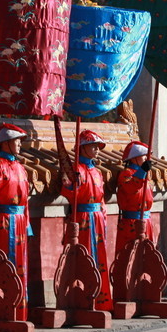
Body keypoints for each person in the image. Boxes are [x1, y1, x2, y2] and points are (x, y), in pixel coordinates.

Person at [0, 123, 33, 320]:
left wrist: (27, 224)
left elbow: (25, 200)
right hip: (4, 221)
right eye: (16, 141)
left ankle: (19, 310)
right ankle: (2, 308)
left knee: (20, 263)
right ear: (5, 143)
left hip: (19, 220)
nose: (19, 145)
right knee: (5, 262)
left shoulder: (20, 167)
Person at [59, 129, 112, 310]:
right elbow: (67, 191)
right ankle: (79, 298)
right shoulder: (75, 170)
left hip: (96, 219)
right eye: (93, 146)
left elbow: (102, 198)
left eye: (98, 147)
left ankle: (100, 300)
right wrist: (72, 183)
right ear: (82, 148)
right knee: (81, 256)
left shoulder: (97, 171)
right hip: (81, 218)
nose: (97, 150)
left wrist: (103, 218)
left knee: (98, 256)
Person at [115, 140, 156, 257]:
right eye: (144, 157)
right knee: (130, 256)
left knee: (146, 257)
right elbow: (132, 187)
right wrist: (142, 171)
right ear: (134, 158)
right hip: (131, 224)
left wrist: (143, 172)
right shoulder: (126, 174)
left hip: (146, 221)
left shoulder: (144, 174)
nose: (146, 159)